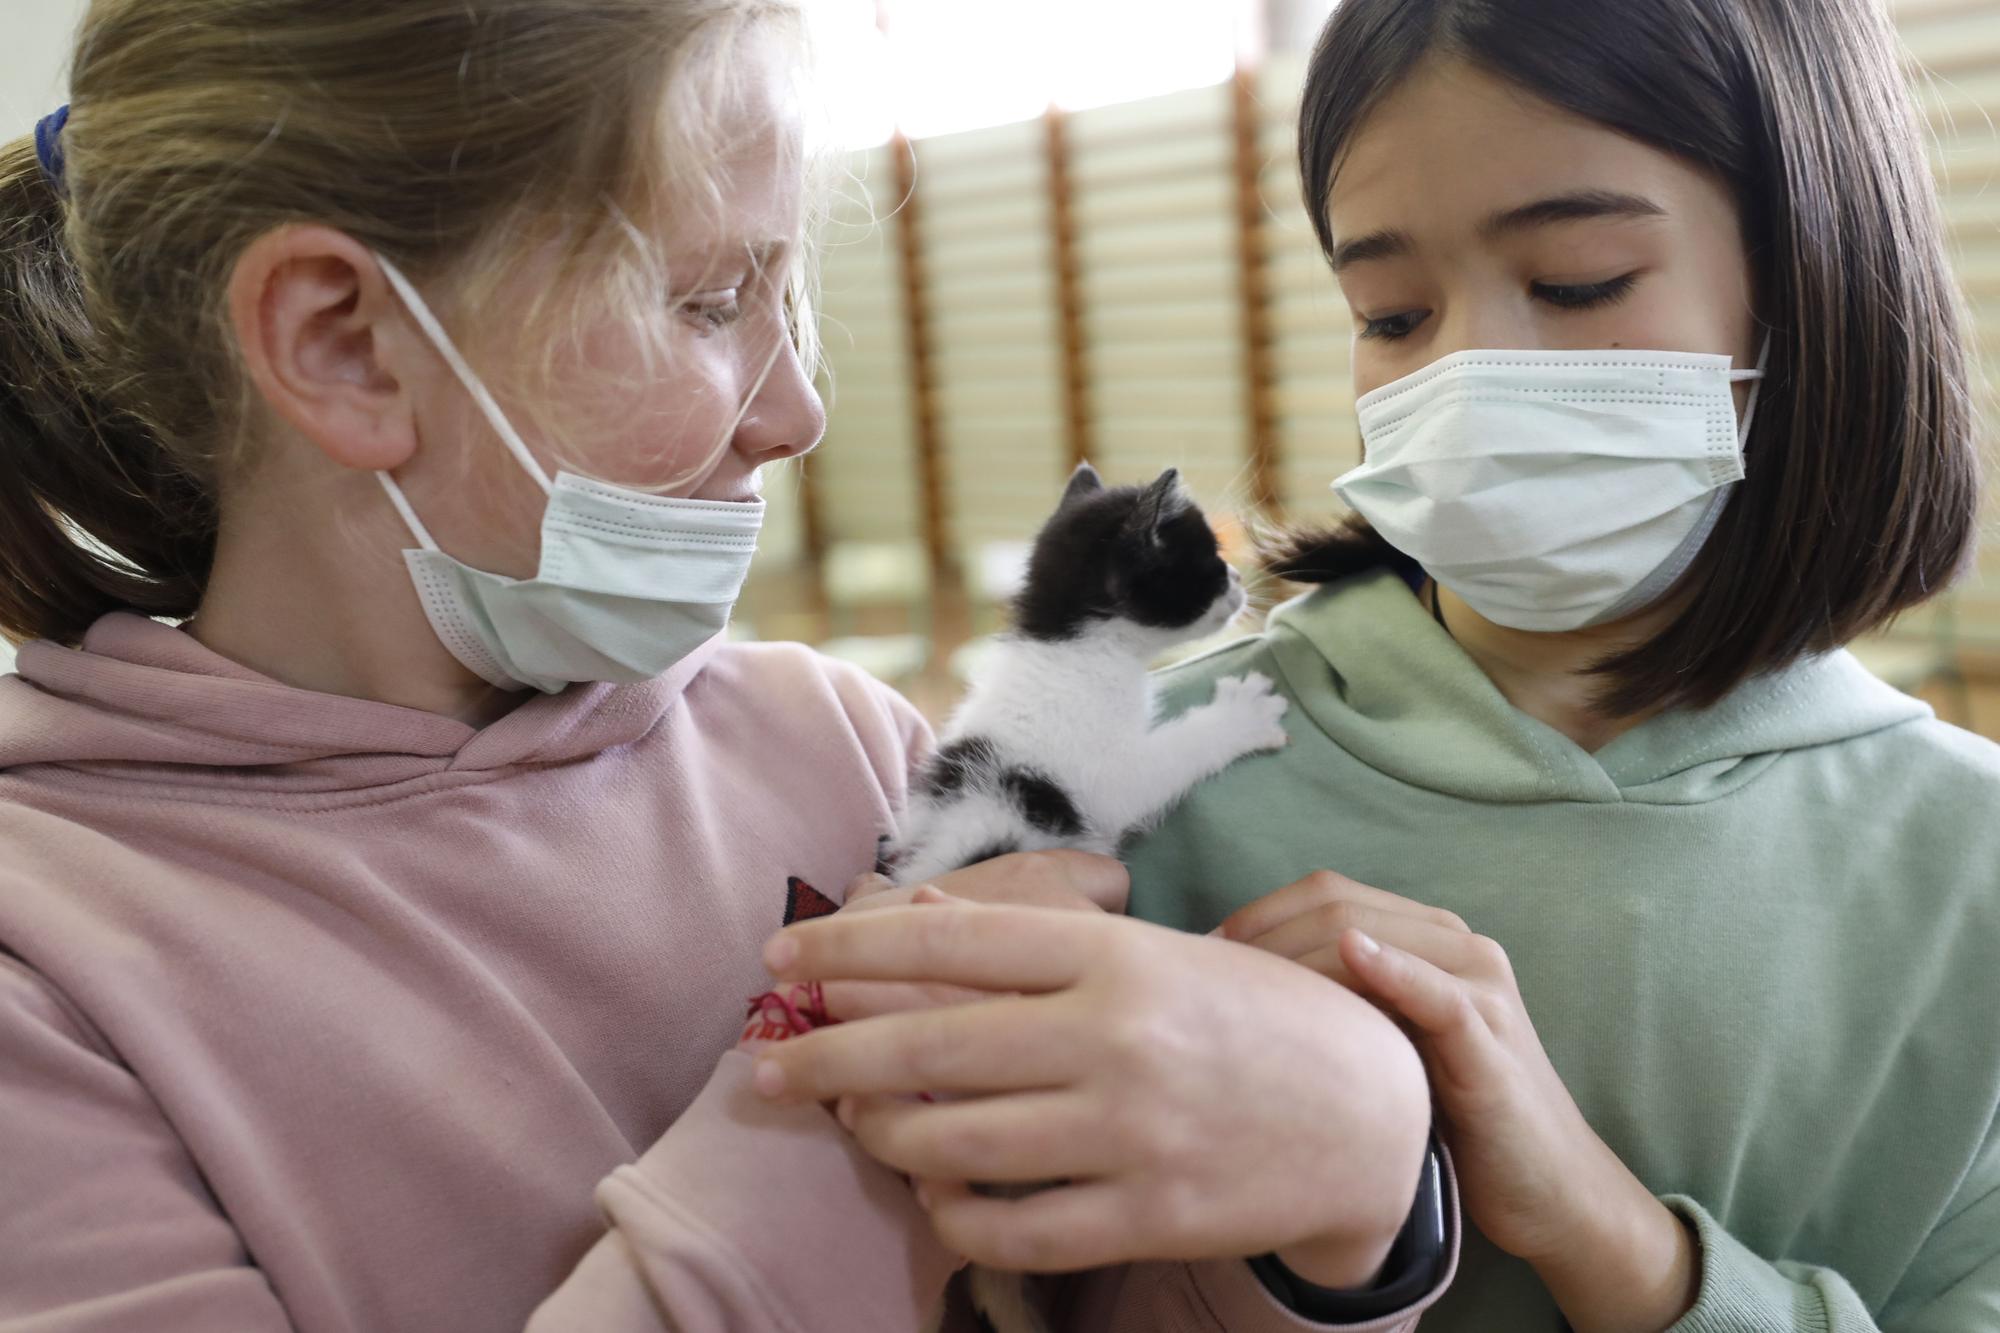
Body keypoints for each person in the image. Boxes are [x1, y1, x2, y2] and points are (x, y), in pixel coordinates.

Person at [0, 1, 1455, 1329]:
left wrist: (1340, 1195)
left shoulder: (837, 746)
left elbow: (1077, 1301)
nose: (800, 412)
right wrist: (841, 1080)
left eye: (788, 294)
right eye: (709, 302)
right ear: (343, 343)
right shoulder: (46, 970)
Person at [1119, 1, 2000, 1330]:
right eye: (1395, 314)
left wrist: (1615, 1237)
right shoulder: (1164, 770)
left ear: (1811, 283)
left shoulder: (1965, 863)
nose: (1471, 372)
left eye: (1579, 280)